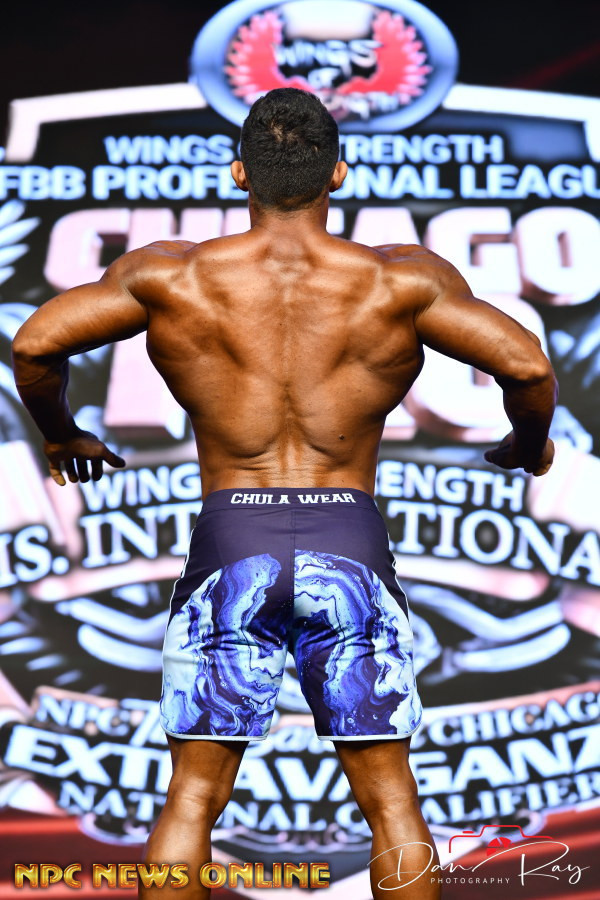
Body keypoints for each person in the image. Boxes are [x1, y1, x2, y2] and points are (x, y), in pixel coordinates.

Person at [11, 88, 557, 900]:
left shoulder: (172, 275)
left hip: (232, 539)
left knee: (193, 795)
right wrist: (529, 443)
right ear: (339, 171)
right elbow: (529, 367)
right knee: (391, 798)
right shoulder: (401, 281)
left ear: (240, 173)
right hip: (349, 541)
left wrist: (62, 436)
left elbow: (34, 345)